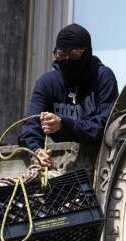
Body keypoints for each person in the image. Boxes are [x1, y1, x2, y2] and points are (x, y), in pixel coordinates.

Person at [18, 23, 118, 168]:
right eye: (61, 55)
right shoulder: (47, 83)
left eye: (74, 54)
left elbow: (105, 126)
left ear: (87, 52)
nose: (67, 60)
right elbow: (30, 125)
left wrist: (64, 124)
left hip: (99, 165)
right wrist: (36, 150)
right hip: (57, 166)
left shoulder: (102, 77)